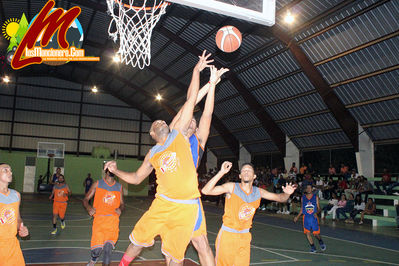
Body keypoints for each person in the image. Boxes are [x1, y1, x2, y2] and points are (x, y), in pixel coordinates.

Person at [107, 51, 213, 266]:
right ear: (152, 135)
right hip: (163, 203)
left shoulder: (178, 134)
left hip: (187, 206)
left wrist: (197, 71)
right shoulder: (153, 153)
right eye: (155, 124)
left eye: (162, 121)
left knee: (175, 257)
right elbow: (137, 178)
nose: (160, 122)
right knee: (138, 239)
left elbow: (191, 100)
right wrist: (116, 171)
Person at [168, 65, 228, 266]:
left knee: (202, 243)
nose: (193, 121)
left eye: (195, 121)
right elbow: (190, 103)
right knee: (173, 252)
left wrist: (212, 87)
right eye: (190, 119)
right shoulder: (172, 135)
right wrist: (208, 82)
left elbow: (208, 114)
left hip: (190, 198)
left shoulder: (198, 141)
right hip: (168, 198)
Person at [201, 162, 297, 266]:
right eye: (243, 170)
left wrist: (287, 193)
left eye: (249, 170)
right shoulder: (231, 187)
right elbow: (206, 190)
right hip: (228, 235)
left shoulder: (259, 192)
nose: (246, 172)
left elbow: (280, 198)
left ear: (254, 176)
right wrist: (221, 172)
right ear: (240, 176)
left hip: (245, 237)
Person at [83, 168, 124, 266]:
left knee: (107, 250)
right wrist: (89, 208)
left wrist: (120, 209)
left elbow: (122, 204)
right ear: (106, 171)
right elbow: (85, 199)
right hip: (99, 221)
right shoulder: (97, 184)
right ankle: (93, 259)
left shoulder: (119, 187)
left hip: (112, 221)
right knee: (96, 251)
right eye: (110, 169)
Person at [0, 163, 29, 265]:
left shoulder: (16, 195)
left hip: (13, 245)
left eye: (10, 170)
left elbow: (18, 218)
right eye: (5, 170)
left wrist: (21, 228)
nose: (10, 172)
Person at [294, 184, 326, 253]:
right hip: (306, 218)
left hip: (313, 217)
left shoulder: (315, 197)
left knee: (316, 234)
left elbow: (319, 208)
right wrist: (297, 216)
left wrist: (316, 212)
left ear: (312, 189)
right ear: (306, 189)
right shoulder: (303, 198)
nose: (308, 189)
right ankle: (313, 247)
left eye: (309, 188)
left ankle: (320, 241)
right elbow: (302, 209)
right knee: (307, 233)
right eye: (307, 188)